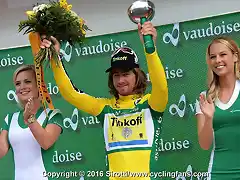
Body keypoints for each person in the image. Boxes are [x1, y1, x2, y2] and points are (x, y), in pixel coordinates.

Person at [36, 21, 168, 179]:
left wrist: (150, 49)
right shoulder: (105, 108)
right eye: (116, 75)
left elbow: (161, 87)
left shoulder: (151, 105)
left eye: (126, 74)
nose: (120, 80)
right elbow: (70, 93)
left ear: (137, 76)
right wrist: (55, 58)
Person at [0, 64, 63, 180]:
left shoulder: (52, 115)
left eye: (27, 81)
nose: (22, 87)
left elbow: (46, 142)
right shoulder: (10, 119)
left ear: (39, 85)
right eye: (18, 84)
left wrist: (30, 119)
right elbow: (1, 150)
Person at [195, 36, 240, 179]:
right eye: (213, 57)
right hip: (218, 173)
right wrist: (209, 118)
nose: (218, 60)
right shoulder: (205, 98)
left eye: (223, 54)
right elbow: (204, 144)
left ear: (235, 57)